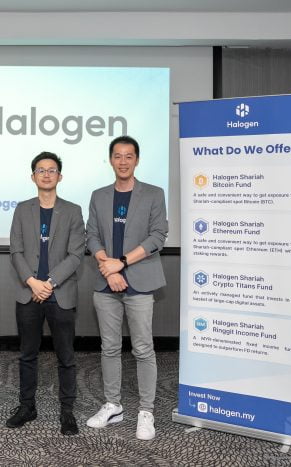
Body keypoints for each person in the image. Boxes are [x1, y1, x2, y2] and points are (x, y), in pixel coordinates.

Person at [85, 135, 167, 440]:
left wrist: (120, 263)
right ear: (110, 160)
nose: (123, 161)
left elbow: (158, 236)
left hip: (140, 282)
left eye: (128, 156)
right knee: (109, 347)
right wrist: (109, 269)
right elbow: (91, 236)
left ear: (137, 160)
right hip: (106, 283)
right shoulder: (99, 195)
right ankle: (113, 405)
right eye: (117, 156)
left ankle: (146, 411)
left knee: (143, 348)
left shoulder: (154, 194)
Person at [5, 152, 85, 436]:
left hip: (60, 294)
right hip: (28, 294)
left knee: (66, 356)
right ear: (33, 176)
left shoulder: (73, 211)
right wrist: (32, 282)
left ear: (60, 176)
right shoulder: (21, 209)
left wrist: (48, 283)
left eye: (52, 170)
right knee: (27, 354)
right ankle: (27, 407)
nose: (47, 174)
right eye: (41, 170)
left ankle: (67, 411)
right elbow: (15, 250)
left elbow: (76, 254)